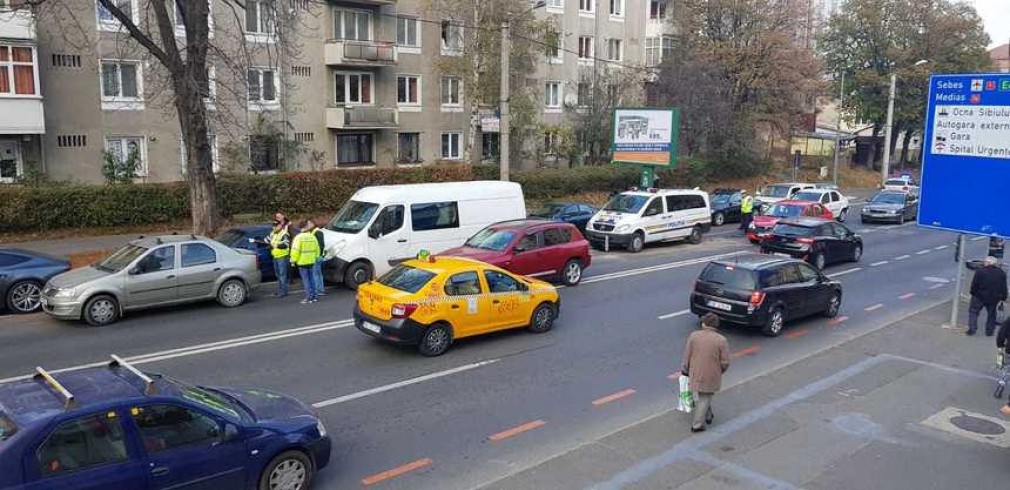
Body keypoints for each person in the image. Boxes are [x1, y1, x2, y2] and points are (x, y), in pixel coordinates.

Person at [680, 313, 731, 432]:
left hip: (695, 371)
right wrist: (720, 370)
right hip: (711, 374)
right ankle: (697, 425)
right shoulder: (721, 340)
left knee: (702, 394)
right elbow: (725, 361)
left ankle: (708, 415)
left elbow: (687, 355)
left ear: (704, 324)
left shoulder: (694, 336)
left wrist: (685, 369)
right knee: (705, 396)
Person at [968, 256, 1008, 336]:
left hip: (979, 296)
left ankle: (972, 329)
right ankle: (989, 331)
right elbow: (1003, 286)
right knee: (991, 314)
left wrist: (973, 292)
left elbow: (974, 284)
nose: (984, 263)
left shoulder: (980, 272)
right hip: (993, 298)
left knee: (973, 312)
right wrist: (1004, 297)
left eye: (985, 262)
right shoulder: (1001, 273)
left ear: (988, 263)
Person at [290, 221, 321, 304]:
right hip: (311, 261)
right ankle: (314, 296)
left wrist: (293, 260)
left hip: (302, 262)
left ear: (300, 228)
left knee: (306, 280)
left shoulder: (298, 237)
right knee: (312, 279)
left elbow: (295, 250)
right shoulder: (312, 236)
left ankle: (308, 297)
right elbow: (317, 249)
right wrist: (316, 257)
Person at [266, 220, 291, 298]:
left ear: (280, 226)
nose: (274, 227)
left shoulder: (284, 234)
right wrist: (267, 242)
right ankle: (281, 290)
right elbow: (268, 241)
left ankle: (284, 291)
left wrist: (275, 245)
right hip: (275, 257)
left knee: (282, 275)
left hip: (283, 257)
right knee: (278, 275)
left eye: (276, 226)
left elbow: (286, 244)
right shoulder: (272, 233)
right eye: (273, 226)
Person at [306, 219, 327, 297]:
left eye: (309, 224)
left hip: (317, 257)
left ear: (313, 224)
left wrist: (319, 256)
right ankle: (319, 290)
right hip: (315, 256)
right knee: (317, 274)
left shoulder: (318, 232)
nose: (308, 226)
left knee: (316, 274)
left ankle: (319, 290)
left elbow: (321, 245)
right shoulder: (312, 232)